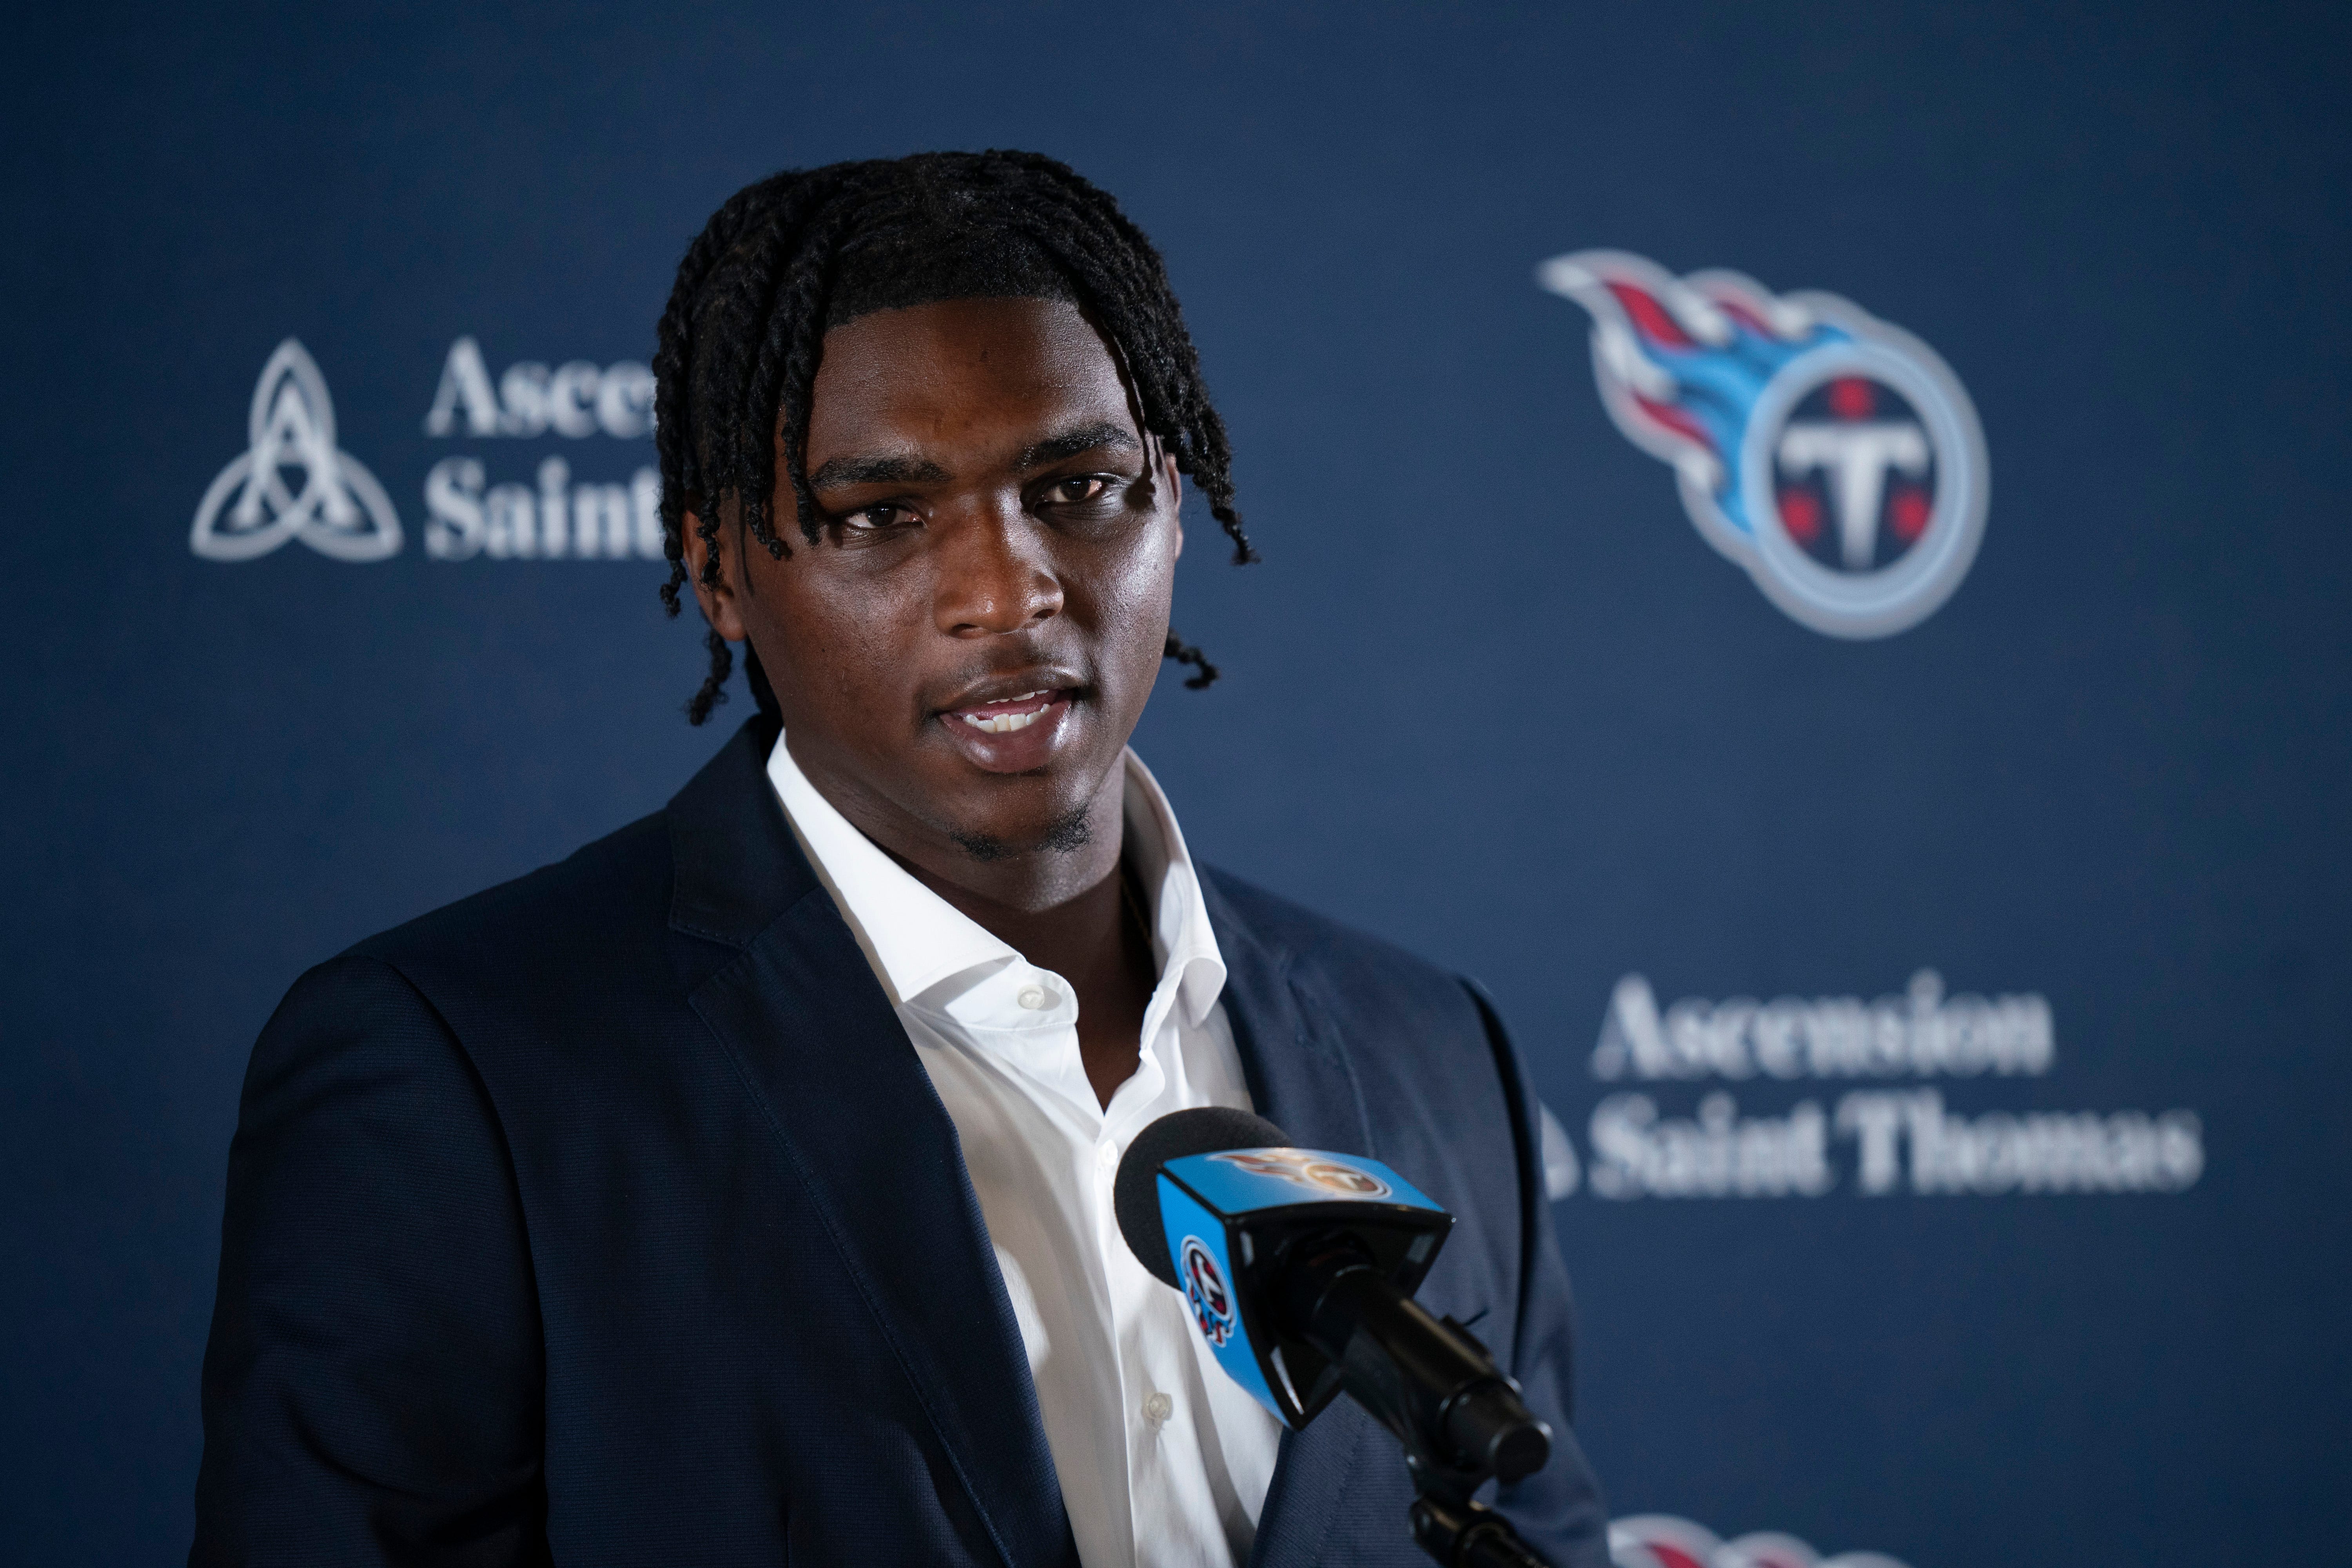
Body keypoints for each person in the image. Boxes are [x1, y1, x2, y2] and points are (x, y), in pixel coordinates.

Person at [191, 151, 1608, 1568]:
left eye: (1080, 484)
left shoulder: (1431, 1050)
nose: (1009, 589)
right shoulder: (463, 1077)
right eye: (881, 516)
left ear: (1172, 503)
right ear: (720, 568)